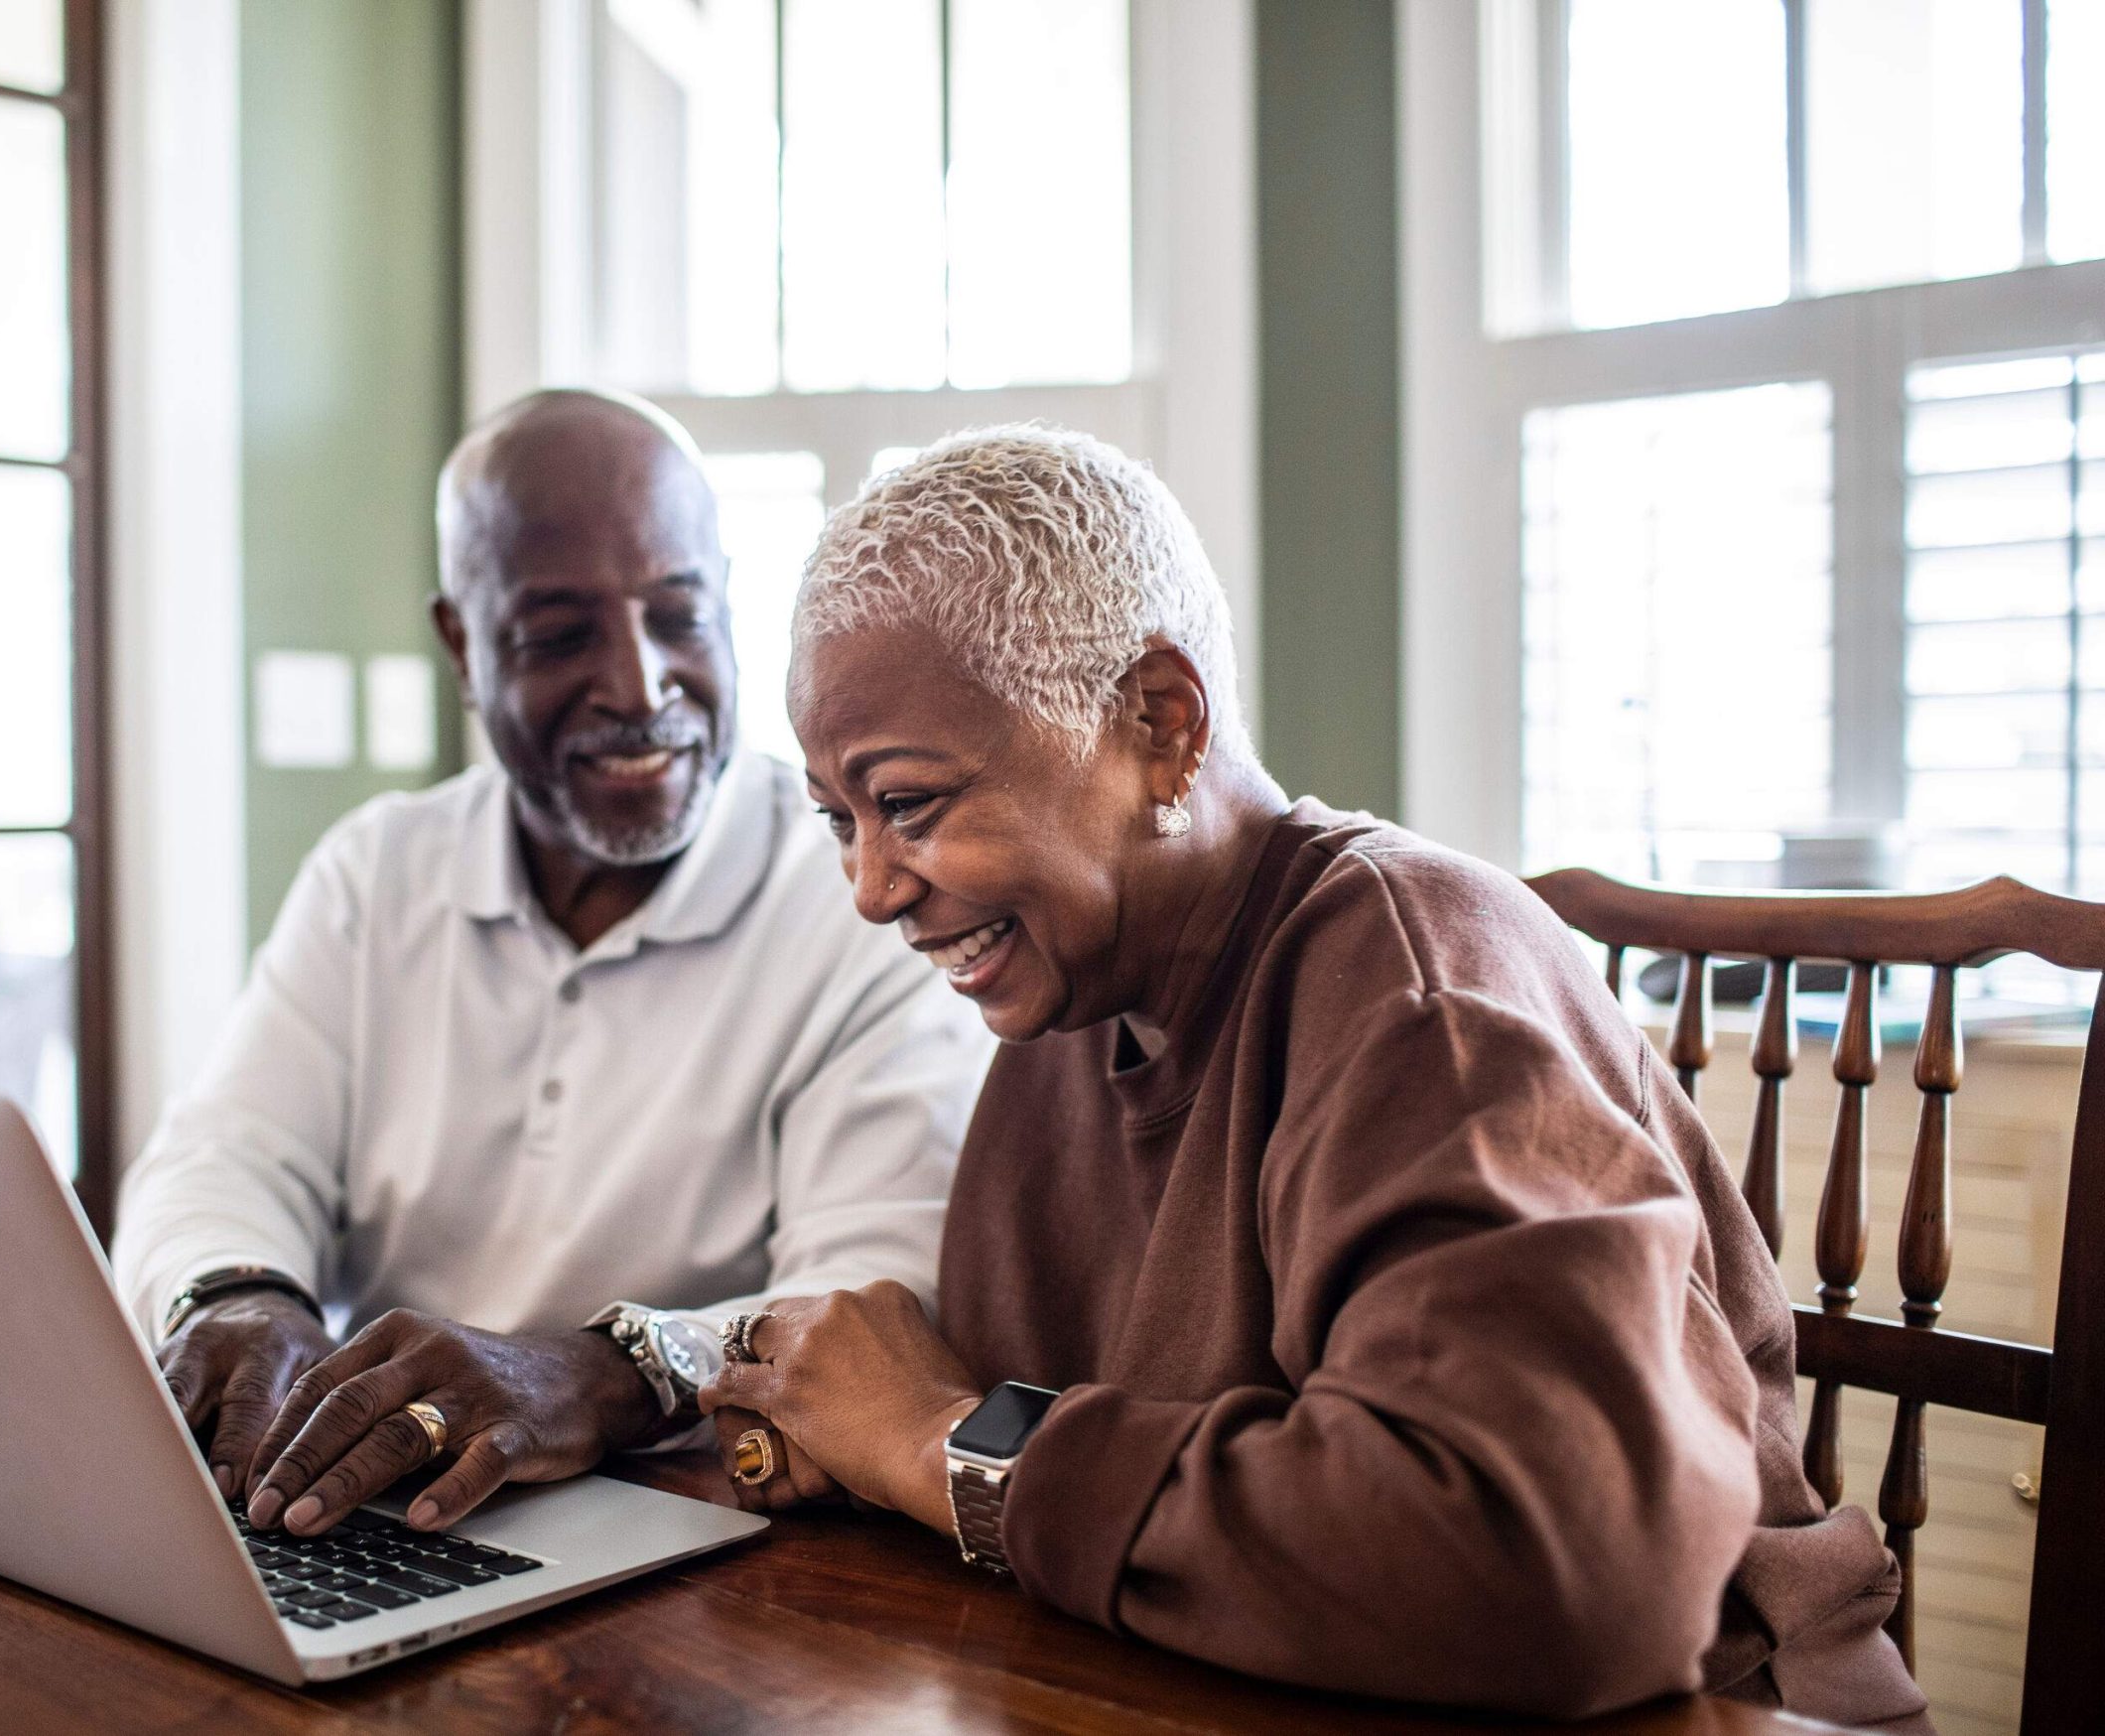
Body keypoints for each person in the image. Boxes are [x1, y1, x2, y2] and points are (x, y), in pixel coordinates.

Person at [699, 427, 1927, 1729]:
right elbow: (1043, 1446)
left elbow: (1554, 1569)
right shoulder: (1065, 1006)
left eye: (913, 803)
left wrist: (953, 1449)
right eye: (840, 818)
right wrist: (878, 1438)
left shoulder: (1419, 984)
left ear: (1159, 727)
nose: (874, 890)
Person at [112, 390, 990, 1542]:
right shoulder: (378, 874)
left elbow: (875, 1305)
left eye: (678, 616)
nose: (637, 688)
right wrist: (238, 1293)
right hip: (366, 1517)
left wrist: (611, 1372)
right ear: (462, 647)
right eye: (560, 636)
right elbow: (223, 1157)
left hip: (697, 1539)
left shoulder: (863, 896)